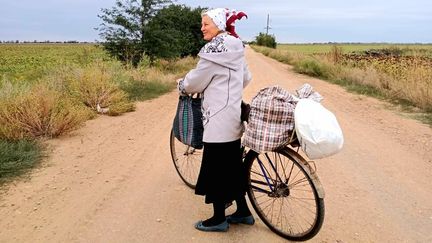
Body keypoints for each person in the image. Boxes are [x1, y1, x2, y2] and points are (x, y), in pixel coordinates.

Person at [177, 8, 253, 232]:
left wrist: (181, 84)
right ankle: (243, 212)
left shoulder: (214, 50)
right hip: (233, 117)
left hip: (217, 119)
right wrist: (228, 89)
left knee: (216, 169)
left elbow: (194, 83)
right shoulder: (236, 45)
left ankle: (219, 219)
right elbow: (246, 77)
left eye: (206, 24)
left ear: (218, 24)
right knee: (232, 167)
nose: (202, 28)